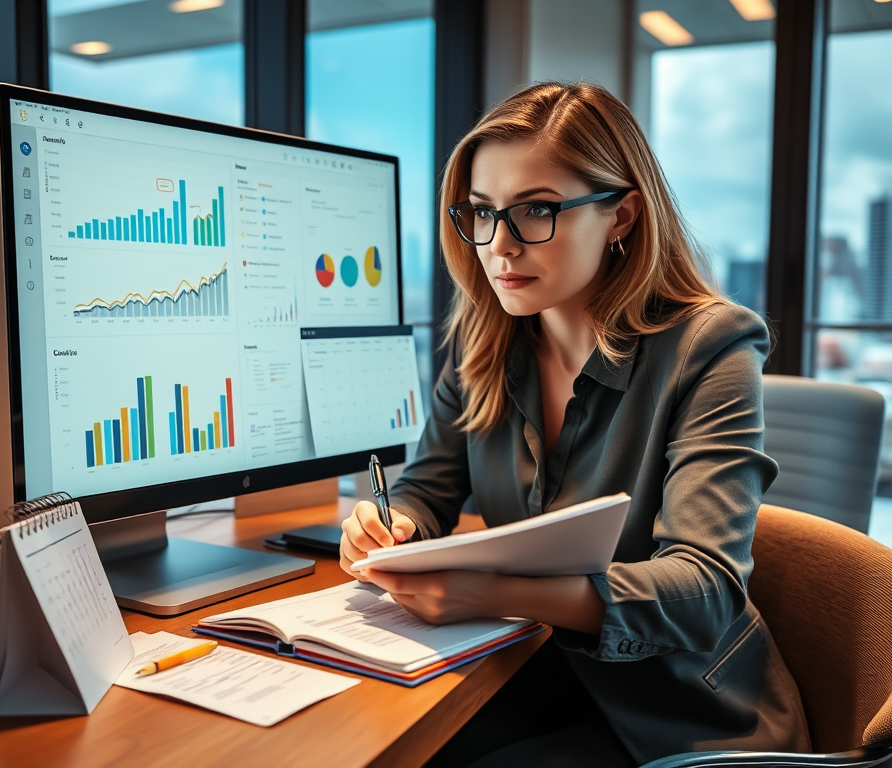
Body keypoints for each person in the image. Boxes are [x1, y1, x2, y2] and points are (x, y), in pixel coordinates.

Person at [339, 81, 811, 767]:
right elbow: (425, 491)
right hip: (537, 675)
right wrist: (391, 526)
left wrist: (494, 593)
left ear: (621, 216)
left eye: (537, 210)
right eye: (480, 212)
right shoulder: (486, 345)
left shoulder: (710, 348)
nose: (500, 246)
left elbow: (704, 591)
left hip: (680, 716)